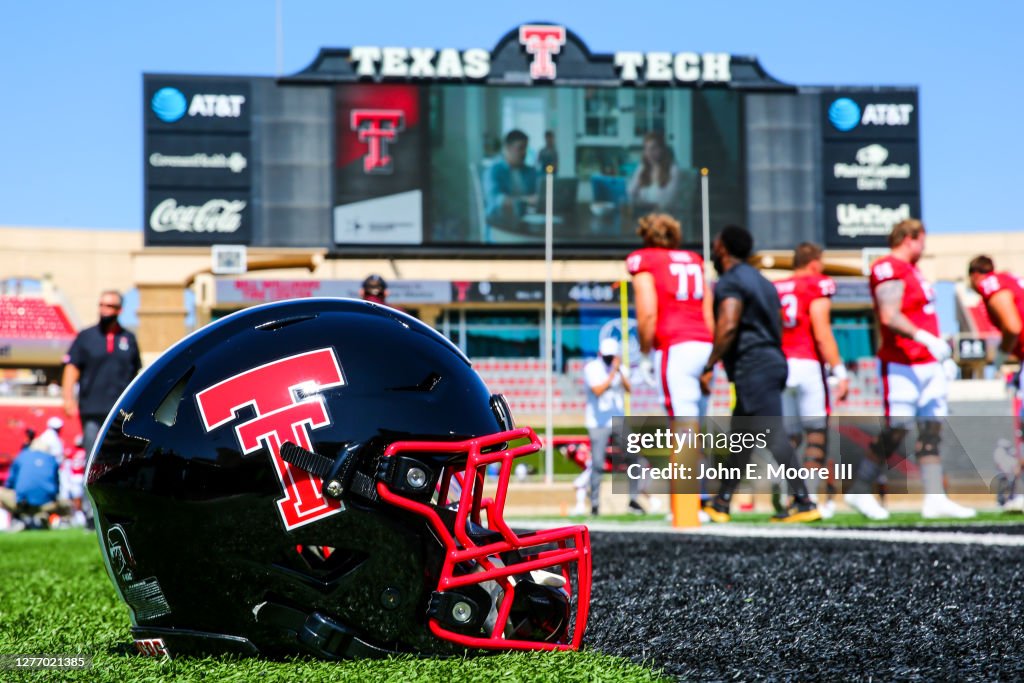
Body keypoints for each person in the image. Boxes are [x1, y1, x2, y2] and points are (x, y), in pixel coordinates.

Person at [846, 219, 975, 519]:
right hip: (902, 363)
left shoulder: (914, 271)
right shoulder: (888, 267)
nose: (924, 247)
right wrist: (925, 338)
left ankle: (935, 498)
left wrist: (940, 355)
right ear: (910, 238)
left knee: (932, 429)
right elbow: (890, 315)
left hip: (927, 362)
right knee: (897, 429)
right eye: (922, 240)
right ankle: (860, 489)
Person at [699, 225, 820, 523]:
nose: (714, 249)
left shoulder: (730, 281)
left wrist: (709, 364)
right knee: (742, 437)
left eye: (716, 245)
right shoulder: (765, 284)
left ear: (724, 249)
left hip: (754, 365)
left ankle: (804, 501)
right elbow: (777, 325)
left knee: (772, 432)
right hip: (771, 361)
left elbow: (728, 324)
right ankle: (722, 502)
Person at [772, 243, 850, 518]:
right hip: (808, 365)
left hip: (781, 366)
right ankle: (810, 498)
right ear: (814, 263)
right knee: (816, 433)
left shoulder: (778, 287)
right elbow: (821, 330)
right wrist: (839, 370)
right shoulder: (817, 284)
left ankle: (786, 492)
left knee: (788, 437)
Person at [967, 255, 1024, 510]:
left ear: (974, 275)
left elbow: (1012, 326)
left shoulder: (990, 284)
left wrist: (1000, 358)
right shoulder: (1010, 280)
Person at [62, 290, 142, 458]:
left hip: (120, 410)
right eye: (102, 305)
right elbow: (72, 367)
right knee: (93, 456)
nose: (105, 310)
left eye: (110, 306)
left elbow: (135, 373)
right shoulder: (86, 336)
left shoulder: (129, 338)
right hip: (91, 408)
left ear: (119, 310)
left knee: (117, 457)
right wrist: (68, 398)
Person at [582, 337, 639, 515]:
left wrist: (620, 372)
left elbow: (630, 390)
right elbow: (598, 391)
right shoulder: (591, 368)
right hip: (597, 422)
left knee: (633, 457)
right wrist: (613, 372)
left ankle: (633, 500)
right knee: (598, 463)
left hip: (618, 419)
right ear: (600, 354)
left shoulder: (622, 369)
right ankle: (595, 504)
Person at [0, 438, 69, 531]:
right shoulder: (52, 460)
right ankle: (43, 517)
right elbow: (56, 485)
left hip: (23, 503)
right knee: (67, 504)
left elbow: (10, 482)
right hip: (47, 504)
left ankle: (18, 519)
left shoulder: (22, 456)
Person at [483, 129, 540, 232]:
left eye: (526, 148)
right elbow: (497, 200)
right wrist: (526, 200)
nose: (524, 153)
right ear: (507, 148)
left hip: (525, 222)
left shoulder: (531, 171)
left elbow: (539, 192)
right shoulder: (493, 171)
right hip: (500, 226)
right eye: (520, 148)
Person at [627, 131, 688, 218]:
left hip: (664, 218)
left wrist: (646, 207)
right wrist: (640, 170)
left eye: (653, 148)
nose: (649, 153)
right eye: (646, 149)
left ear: (662, 149)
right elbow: (630, 192)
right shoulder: (643, 168)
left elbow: (668, 202)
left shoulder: (673, 170)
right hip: (643, 216)